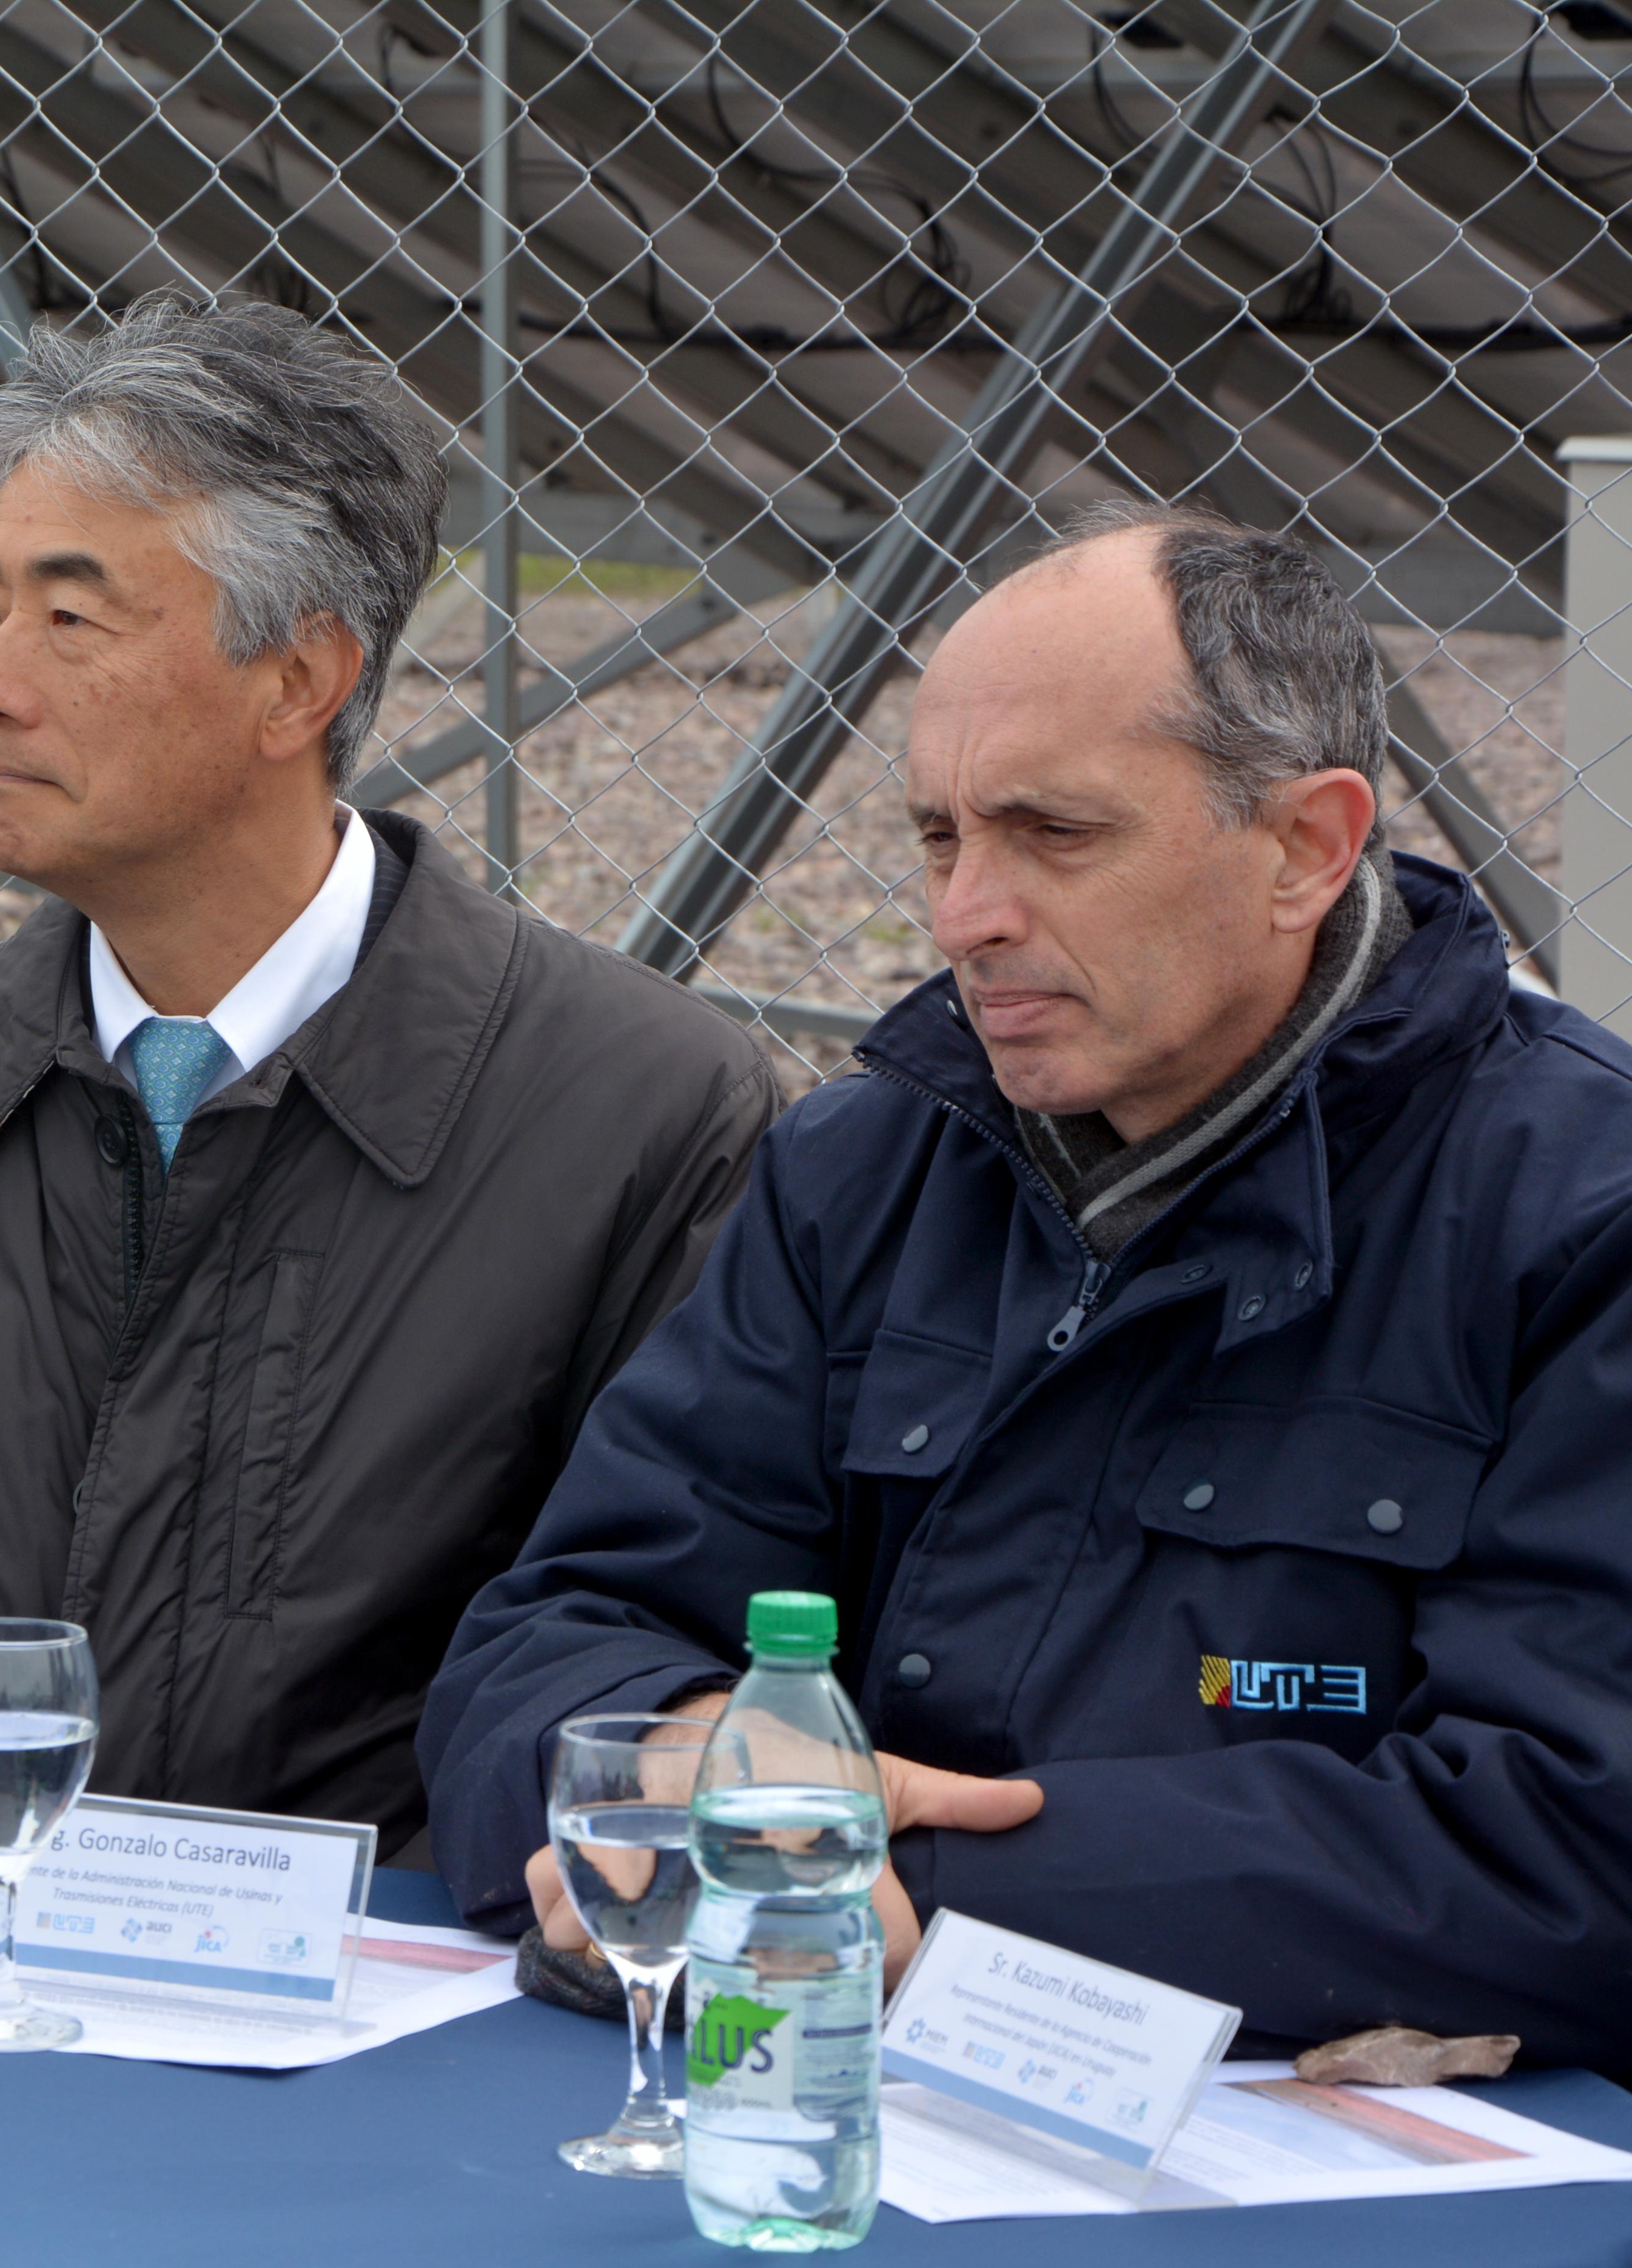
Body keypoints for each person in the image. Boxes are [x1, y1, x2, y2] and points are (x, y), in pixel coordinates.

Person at [420, 502, 1632, 2064]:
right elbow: (548, 1635)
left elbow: (1575, 1837)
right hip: (807, 2090)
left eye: (1053, 834)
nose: (962, 916)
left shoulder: (1581, 1213)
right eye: (940, 835)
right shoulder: (863, 1169)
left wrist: (927, 1889)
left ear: (1309, 847)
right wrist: (675, 1751)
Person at [0, 296, 775, 1852]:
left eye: (71, 620)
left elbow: (658, 1666)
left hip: (399, 2026)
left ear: (299, 683)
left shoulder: (646, 1117)